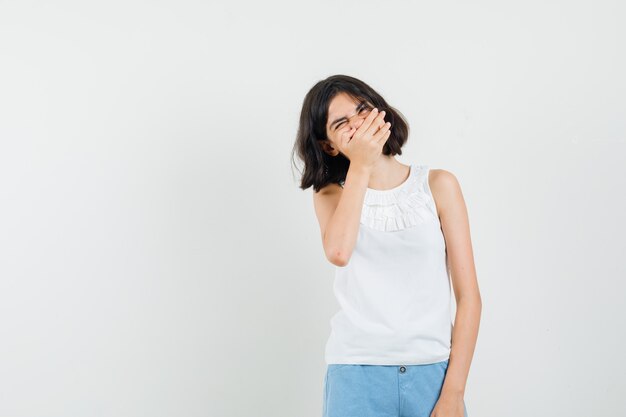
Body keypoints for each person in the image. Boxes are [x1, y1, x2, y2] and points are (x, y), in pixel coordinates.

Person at [292, 74, 481, 417]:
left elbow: (469, 298)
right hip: (356, 374)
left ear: (380, 111)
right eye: (342, 123)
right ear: (328, 145)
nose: (359, 124)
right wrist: (361, 165)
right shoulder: (329, 194)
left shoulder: (439, 185)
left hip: (433, 372)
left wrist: (454, 392)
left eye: (362, 109)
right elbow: (338, 252)